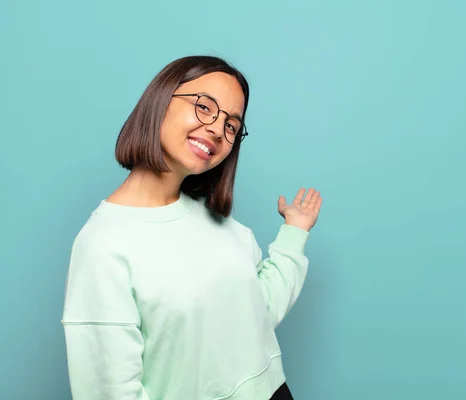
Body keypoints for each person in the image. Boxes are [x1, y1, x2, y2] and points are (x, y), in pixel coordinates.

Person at [61, 55, 322, 400]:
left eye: (231, 125)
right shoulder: (103, 246)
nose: (217, 129)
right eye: (204, 107)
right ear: (160, 100)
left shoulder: (226, 228)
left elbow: (255, 315)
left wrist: (294, 232)